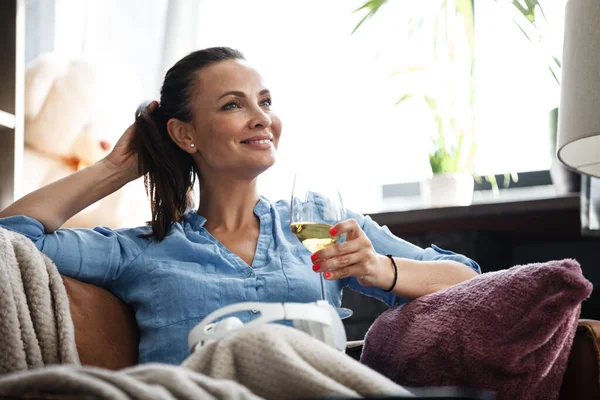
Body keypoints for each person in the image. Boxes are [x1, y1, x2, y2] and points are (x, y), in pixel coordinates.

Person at [0, 47, 480, 365]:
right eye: (234, 105)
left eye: (265, 102)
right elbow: (12, 239)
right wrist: (116, 167)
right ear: (185, 134)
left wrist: (380, 268)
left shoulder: (317, 223)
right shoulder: (144, 249)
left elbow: (467, 281)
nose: (262, 119)